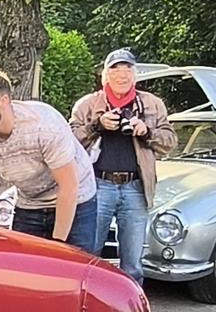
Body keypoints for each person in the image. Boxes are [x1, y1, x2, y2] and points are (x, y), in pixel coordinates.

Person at [0, 69, 100, 254]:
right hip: (29, 201)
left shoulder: (44, 125)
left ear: (4, 101)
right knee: (25, 267)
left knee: (70, 265)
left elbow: (69, 186)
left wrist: (57, 245)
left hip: (76, 199)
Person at [70, 48, 176, 285]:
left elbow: (170, 143)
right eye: (115, 69)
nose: (122, 75)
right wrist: (97, 126)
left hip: (136, 188)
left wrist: (145, 131)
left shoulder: (152, 104)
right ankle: (88, 303)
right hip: (97, 186)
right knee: (89, 253)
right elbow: (69, 142)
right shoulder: (87, 105)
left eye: (128, 69)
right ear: (104, 75)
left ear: (135, 75)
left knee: (133, 262)